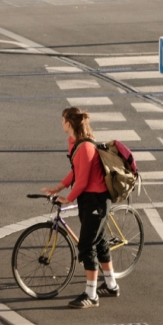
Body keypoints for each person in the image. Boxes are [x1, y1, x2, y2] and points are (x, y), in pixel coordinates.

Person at [42, 105, 116, 306]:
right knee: (99, 242)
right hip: (87, 199)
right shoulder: (74, 143)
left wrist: (68, 198)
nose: (61, 123)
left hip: (96, 200)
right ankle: (111, 285)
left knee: (86, 245)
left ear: (69, 122)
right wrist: (59, 187)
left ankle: (91, 296)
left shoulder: (86, 147)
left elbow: (82, 181)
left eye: (63, 119)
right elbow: (76, 171)